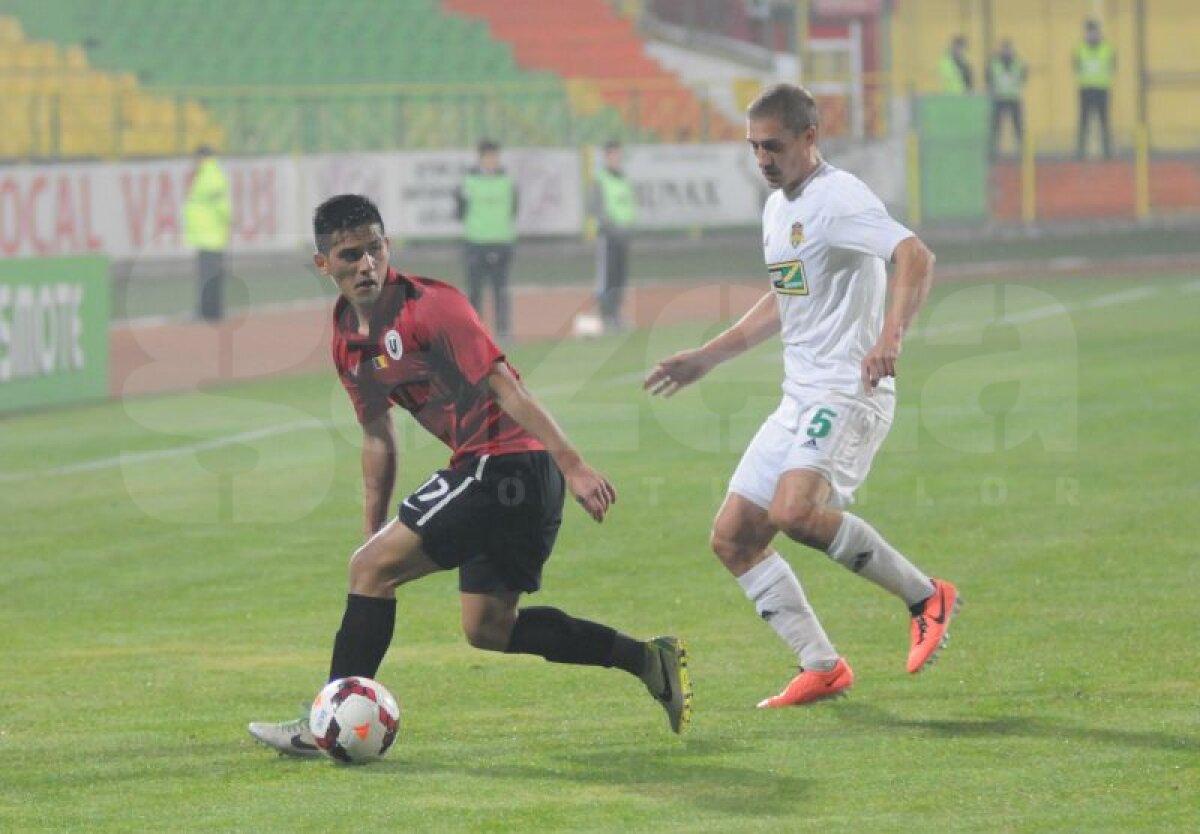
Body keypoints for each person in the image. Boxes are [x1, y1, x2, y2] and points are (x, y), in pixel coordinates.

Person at [248, 194, 691, 757]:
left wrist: (573, 464)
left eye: (375, 249)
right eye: (349, 254)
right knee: (488, 627)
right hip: (502, 474)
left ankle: (323, 727)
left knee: (369, 572)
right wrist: (373, 528)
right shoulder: (346, 337)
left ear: (390, 246)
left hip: (505, 464)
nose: (365, 265)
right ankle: (647, 660)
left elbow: (507, 386)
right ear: (324, 265)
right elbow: (379, 437)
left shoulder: (433, 306)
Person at [644, 84, 959, 708]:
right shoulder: (777, 209)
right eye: (754, 147)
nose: (763, 159)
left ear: (809, 139)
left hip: (849, 389)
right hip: (801, 396)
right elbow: (786, 302)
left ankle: (926, 596)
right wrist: (709, 355)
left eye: (775, 146)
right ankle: (821, 665)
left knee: (793, 512)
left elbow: (914, 255)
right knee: (733, 537)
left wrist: (888, 337)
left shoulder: (837, 198)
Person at [455, 139, 518, 340]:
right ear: (480, 158)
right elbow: (460, 211)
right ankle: (476, 333)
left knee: (501, 289)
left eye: (495, 157)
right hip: (476, 242)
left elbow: (514, 208)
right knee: (475, 290)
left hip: (501, 241)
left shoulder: (508, 181)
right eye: (488, 157)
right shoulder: (468, 182)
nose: (492, 161)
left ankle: (504, 330)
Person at [589, 140, 637, 332]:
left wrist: (629, 227)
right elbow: (594, 207)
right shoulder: (599, 180)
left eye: (619, 155)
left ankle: (616, 314)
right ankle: (605, 315)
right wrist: (610, 226)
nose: (617, 159)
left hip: (624, 237)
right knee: (606, 277)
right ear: (606, 157)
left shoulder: (624, 179)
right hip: (608, 237)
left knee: (620, 277)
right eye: (613, 155)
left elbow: (629, 207)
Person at [183, 145, 231, 321]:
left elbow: (221, 207)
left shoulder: (209, 177)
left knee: (207, 277)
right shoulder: (210, 175)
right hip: (210, 235)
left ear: (201, 157)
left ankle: (207, 312)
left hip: (209, 236)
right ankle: (214, 311)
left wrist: (225, 225)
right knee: (212, 277)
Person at [1074, 18, 1116, 160]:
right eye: (1090, 32)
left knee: (1104, 121)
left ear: (1099, 33)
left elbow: (1113, 65)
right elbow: (1076, 65)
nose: (1092, 35)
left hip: (1102, 89)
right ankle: (1081, 151)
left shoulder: (1107, 48)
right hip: (1085, 89)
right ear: (1086, 33)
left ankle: (1107, 151)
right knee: (1084, 121)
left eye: (1095, 32)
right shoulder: (1079, 49)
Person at [987, 39, 1027, 159]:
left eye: (1008, 49)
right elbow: (988, 78)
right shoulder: (994, 63)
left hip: (1014, 97)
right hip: (999, 98)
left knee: (1018, 126)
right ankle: (992, 151)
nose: (1007, 51)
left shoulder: (1018, 62)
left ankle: (1022, 151)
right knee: (996, 127)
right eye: (1005, 49)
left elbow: (1024, 76)